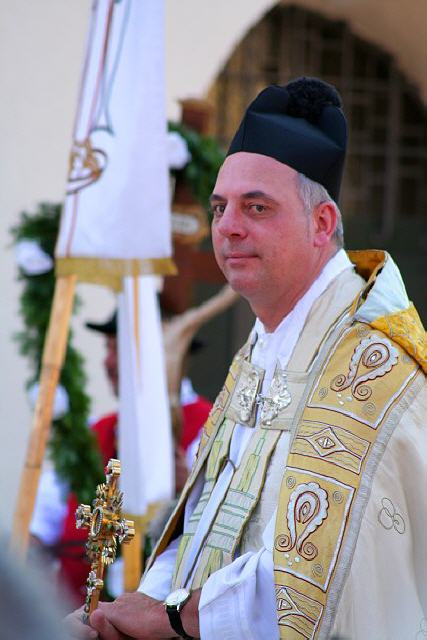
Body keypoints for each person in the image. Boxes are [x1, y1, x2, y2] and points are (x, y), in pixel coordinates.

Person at [65, 77, 427, 640]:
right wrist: (126, 615)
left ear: (322, 223)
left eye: (256, 207)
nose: (228, 227)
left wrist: (169, 618)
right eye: (220, 207)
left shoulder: (369, 366)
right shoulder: (263, 343)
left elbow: (317, 576)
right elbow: (201, 523)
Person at [31, 310, 213, 605]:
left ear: (166, 357)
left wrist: (188, 490)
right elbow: (40, 523)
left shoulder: (211, 430)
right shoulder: (96, 432)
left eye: (120, 349)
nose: (108, 362)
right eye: (108, 348)